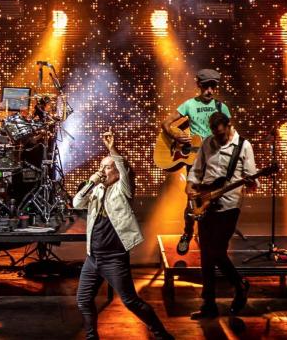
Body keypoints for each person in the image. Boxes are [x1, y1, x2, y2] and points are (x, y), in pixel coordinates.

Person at [74, 129, 173, 340]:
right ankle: (91, 337)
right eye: (100, 166)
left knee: (130, 301)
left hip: (114, 258)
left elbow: (123, 168)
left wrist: (113, 149)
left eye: (107, 167)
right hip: (93, 257)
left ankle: (162, 335)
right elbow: (77, 203)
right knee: (83, 299)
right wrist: (91, 182)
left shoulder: (123, 189)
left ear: (118, 171)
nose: (102, 171)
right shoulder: (97, 189)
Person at [187, 112, 256, 319]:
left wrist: (252, 183)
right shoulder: (208, 143)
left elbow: (251, 177)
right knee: (206, 257)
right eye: (214, 134)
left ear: (228, 126)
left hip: (229, 206)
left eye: (221, 134)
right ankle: (209, 305)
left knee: (216, 251)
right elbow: (197, 170)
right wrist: (190, 185)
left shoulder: (243, 146)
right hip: (206, 204)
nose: (217, 138)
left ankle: (239, 284)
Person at [160, 68, 231, 255]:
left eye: (213, 87)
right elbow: (166, 123)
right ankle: (187, 232)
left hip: (216, 162)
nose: (210, 91)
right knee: (193, 198)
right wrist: (176, 135)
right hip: (195, 160)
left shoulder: (221, 108)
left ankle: (209, 236)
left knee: (214, 199)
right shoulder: (189, 105)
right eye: (206, 86)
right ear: (199, 85)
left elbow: (230, 135)